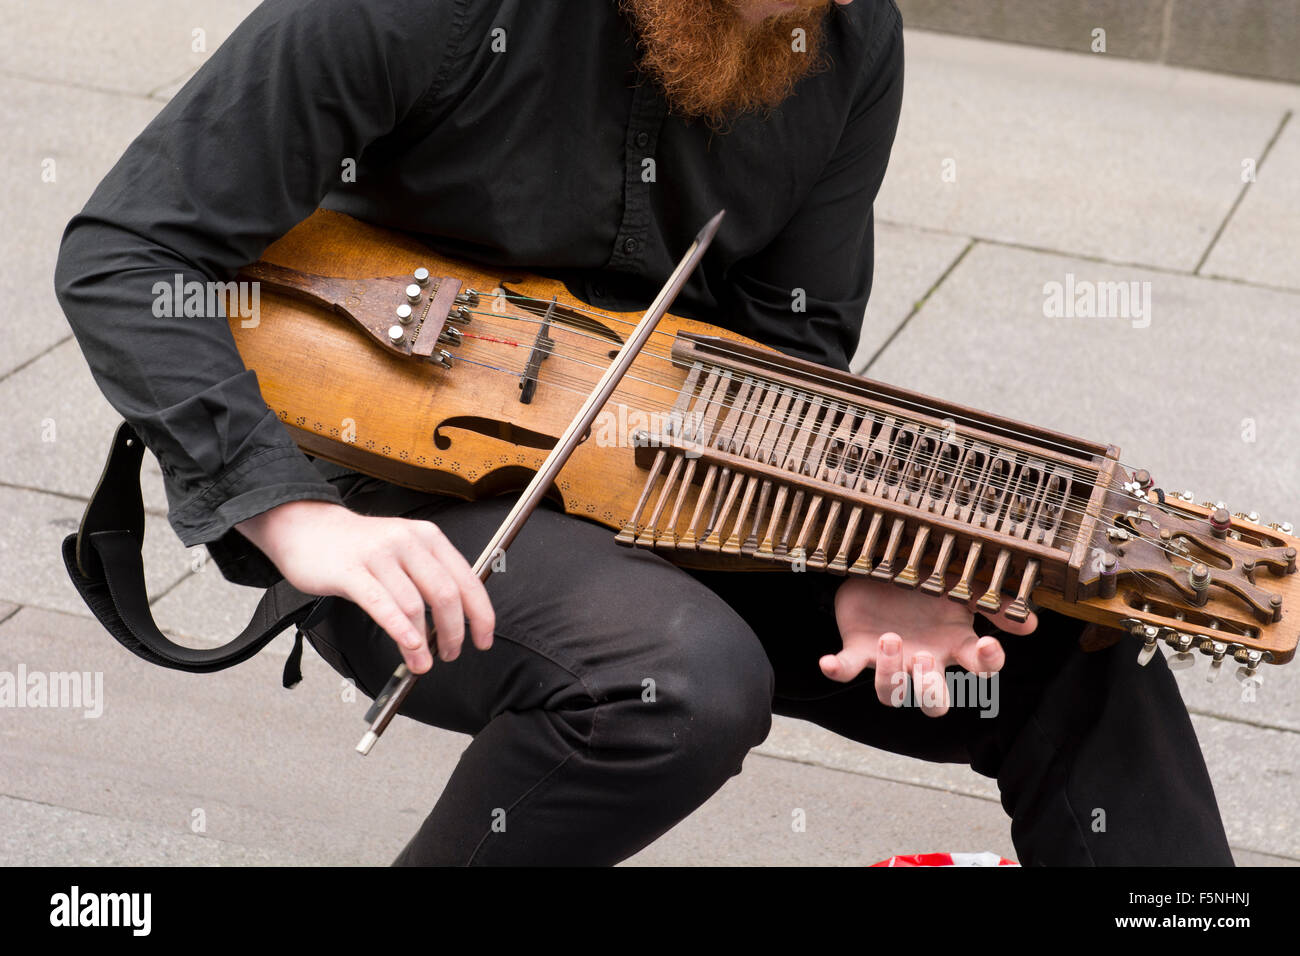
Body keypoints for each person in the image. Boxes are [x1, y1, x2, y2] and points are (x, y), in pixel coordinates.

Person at [53, 0, 1234, 865]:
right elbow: (128, 253)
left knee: (1080, 648)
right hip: (381, 492)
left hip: (681, 466)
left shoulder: (845, 36)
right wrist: (293, 513)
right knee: (673, 680)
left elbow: (794, 354)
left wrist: (866, 554)